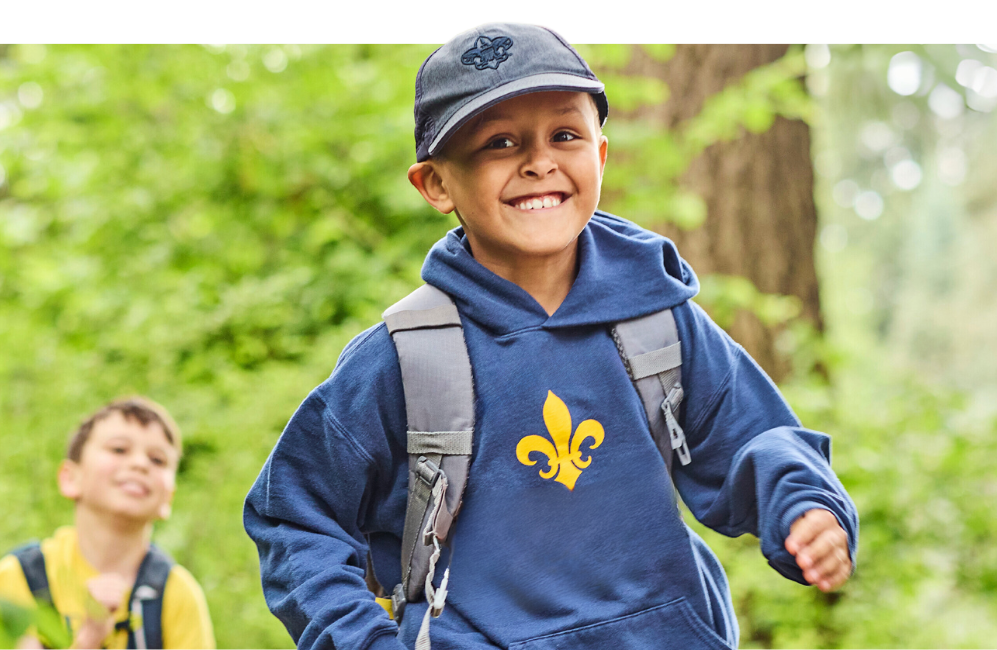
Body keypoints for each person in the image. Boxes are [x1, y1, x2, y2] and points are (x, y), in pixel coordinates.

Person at [244, 23, 858, 650]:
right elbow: (293, 516)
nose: (539, 162)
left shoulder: (658, 320)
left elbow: (755, 435)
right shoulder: (406, 358)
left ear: (600, 154)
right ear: (436, 184)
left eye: (565, 135)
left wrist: (804, 507)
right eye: (499, 143)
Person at [0, 397, 216, 650]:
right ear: (70, 478)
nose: (140, 464)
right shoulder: (17, 577)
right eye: (119, 450)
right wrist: (89, 639)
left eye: (157, 460)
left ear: (168, 498)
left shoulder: (177, 594)